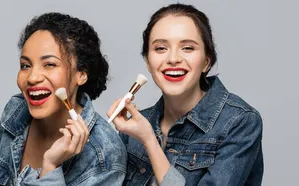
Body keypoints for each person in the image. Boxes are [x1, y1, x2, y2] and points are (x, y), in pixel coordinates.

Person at [108, 3, 264, 186]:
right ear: (148, 62)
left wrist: (149, 141)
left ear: (207, 61)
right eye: (160, 48)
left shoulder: (240, 122)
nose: (173, 59)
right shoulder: (134, 126)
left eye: (188, 48)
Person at [0, 12, 127, 185]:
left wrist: (51, 166)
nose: (32, 77)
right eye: (25, 65)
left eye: (50, 64)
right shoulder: (15, 111)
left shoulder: (104, 154)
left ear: (81, 74)